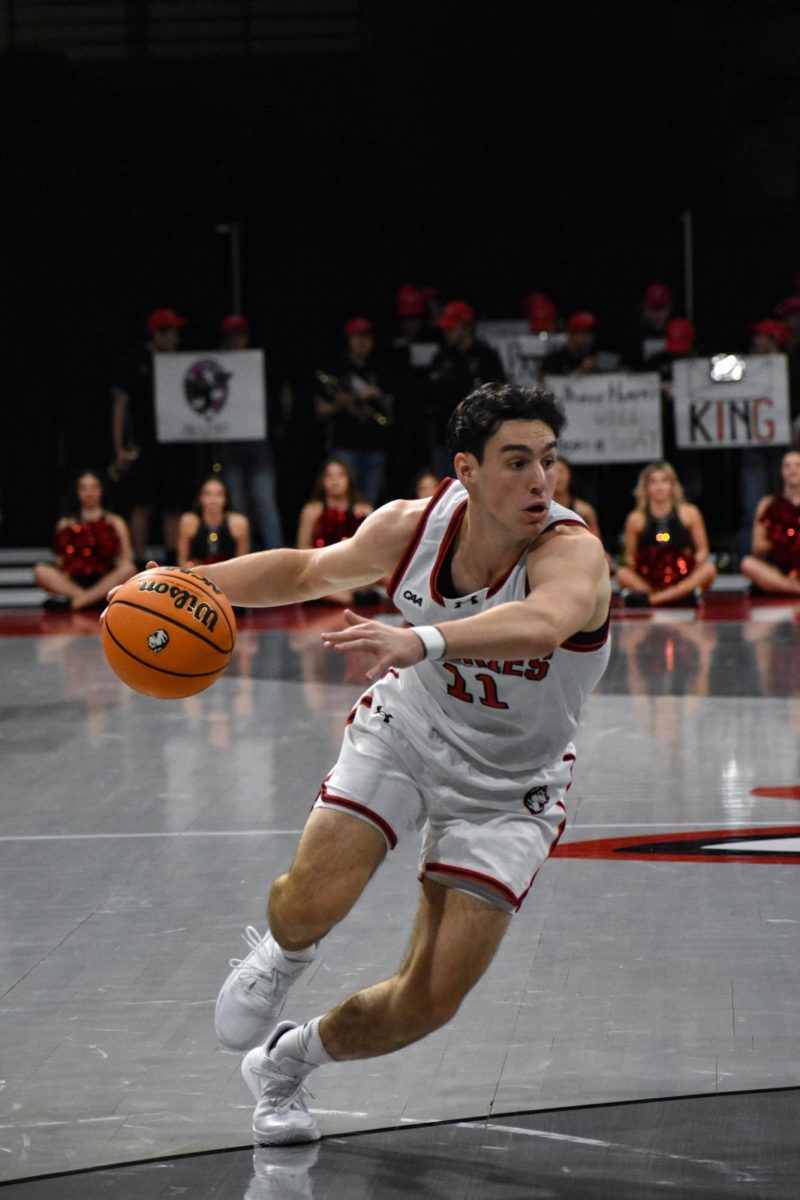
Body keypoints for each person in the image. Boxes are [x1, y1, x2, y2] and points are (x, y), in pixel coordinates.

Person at [184, 382, 611, 1146]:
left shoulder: (574, 551)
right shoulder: (411, 528)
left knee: (431, 999)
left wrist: (424, 640)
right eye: (516, 462)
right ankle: (282, 954)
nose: (540, 482)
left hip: (515, 786)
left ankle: (287, 1060)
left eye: (548, 460)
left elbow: (544, 625)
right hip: (412, 728)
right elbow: (308, 571)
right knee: (310, 899)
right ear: (466, 471)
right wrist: (190, 584)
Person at [110, 307, 187, 563]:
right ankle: (140, 558)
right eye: (171, 333)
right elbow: (121, 407)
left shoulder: (179, 363)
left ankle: (172, 557)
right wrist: (119, 446)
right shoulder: (135, 362)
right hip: (143, 444)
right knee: (143, 503)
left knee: (173, 504)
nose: (175, 339)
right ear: (157, 334)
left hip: (174, 443)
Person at [214, 314, 286, 551]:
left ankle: (276, 554)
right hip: (229, 443)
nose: (237, 341)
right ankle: (243, 557)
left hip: (258, 441)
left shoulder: (261, 362)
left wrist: (279, 422)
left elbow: (283, 395)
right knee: (237, 504)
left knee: (264, 501)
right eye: (232, 337)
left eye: (241, 336)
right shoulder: (217, 364)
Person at [314, 318, 394, 507]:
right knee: (342, 501)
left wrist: (377, 395)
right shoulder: (335, 369)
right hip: (344, 445)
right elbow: (320, 410)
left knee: (369, 503)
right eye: (357, 337)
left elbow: (391, 412)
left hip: (374, 445)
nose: (362, 342)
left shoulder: (380, 369)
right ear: (349, 340)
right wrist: (345, 401)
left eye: (366, 337)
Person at [616, 460, 717, 607]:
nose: (659, 487)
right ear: (646, 487)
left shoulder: (690, 513)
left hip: (683, 576)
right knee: (622, 574)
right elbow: (630, 558)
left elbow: (703, 551)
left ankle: (653, 600)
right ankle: (678, 597)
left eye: (664, 481)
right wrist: (651, 570)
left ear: (672, 485)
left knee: (709, 570)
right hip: (649, 580)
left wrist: (686, 567)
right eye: (654, 482)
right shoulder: (635, 518)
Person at [35, 470, 136, 610]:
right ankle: (88, 599)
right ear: (77, 492)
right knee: (41, 571)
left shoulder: (115, 521)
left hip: (106, 579)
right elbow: (60, 563)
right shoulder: (65, 524)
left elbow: (126, 558)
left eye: (94, 487)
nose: (89, 492)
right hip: (74, 582)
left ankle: (78, 603)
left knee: (128, 569)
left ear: (101, 490)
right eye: (84, 488)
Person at [427, 300, 505, 476]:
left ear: (466, 327)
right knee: (446, 487)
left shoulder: (486, 356)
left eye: (451, 328)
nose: (447, 333)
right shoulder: (442, 356)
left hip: (477, 437)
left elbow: (498, 395)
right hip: (444, 436)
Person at [295, 458, 373, 606]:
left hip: (355, 576)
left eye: (340, 475)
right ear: (322, 481)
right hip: (321, 575)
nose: (335, 481)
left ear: (349, 478)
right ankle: (341, 597)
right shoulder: (312, 511)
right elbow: (303, 549)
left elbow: (373, 552)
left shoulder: (364, 510)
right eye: (329, 476)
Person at [739, 448, 800, 596]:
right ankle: (794, 588)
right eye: (787, 465)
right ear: (780, 471)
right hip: (777, 569)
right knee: (747, 564)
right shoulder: (767, 503)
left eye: (798, 465)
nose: (793, 470)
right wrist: (785, 540)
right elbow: (757, 546)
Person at [176, 476, 250, 568]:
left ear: (226, 498)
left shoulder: (238, 523)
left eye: (219, 494)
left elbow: (243, 562)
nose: (213, 500)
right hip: (197, 573)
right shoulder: (189, 521)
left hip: (228, 573)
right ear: (200, 497)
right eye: (208, 494)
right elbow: (182, 560)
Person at [541, 311, 599, 377]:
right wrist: (581, 370)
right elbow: (548, 383)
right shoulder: (553, 360)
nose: (587, 339)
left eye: (590, 334)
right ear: (570, 334)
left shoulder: (593, 358)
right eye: (583, 334)